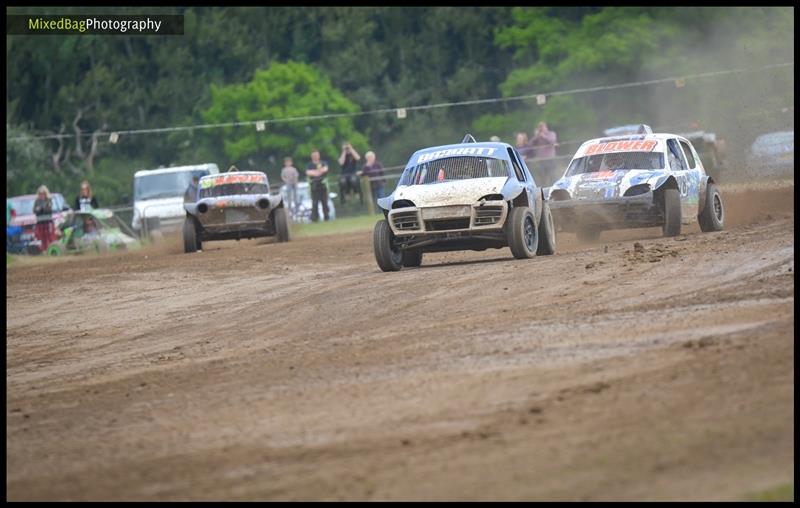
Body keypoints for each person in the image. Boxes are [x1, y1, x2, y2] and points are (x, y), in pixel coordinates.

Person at [305, 149, 330, 222]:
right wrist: (318, 172)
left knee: (324, 202)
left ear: (319, 155)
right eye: (314, 155)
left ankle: (326, 217)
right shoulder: (309, 165)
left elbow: (325, 169)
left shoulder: (323, 163)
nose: (315, 156)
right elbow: (308, 172)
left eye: (316, 155)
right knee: (315, 203)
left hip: (323, 184)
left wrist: (316, 172)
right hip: (314, 185)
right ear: (311, 156)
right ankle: (315, 218)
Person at [33, 185, 56, 252]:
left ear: (46, 193)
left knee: (50, 236)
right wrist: (41, 209)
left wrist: (41, 209)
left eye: (43, 193)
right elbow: (35, 210)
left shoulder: (49, 200)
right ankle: (44, 250)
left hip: (48, 222)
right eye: (40, 193)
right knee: (42, 237)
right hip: (40, 222)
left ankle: (52, 250)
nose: (41, 195)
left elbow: (49, 210)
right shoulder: (37, 201)